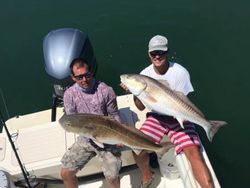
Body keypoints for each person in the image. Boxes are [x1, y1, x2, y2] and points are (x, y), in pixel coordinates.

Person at [121, 35, 214, 188]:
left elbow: (184, 102)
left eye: (161, 52)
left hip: (180, 118)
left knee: (194, 153)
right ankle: (147, 175)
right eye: (153, 53)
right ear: (148, 54)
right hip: (157, 118)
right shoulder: (145, 74)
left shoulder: (180, 72)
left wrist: (200, 121)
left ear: (167, 52)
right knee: (136, 147)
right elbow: (140, 107)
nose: (157, 56)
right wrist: (133, 91)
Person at [60, 58, 122, 188]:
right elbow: (71, 120)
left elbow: (114, 115)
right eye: (79, 77)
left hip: (107, 137)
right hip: (86, 138)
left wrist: (119, 137)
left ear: (91, 72)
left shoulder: (105, 90)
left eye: (87, 75)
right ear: (73, 77)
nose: (84, 80)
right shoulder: (69, 95)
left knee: (112, 176)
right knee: (65, 173)